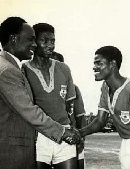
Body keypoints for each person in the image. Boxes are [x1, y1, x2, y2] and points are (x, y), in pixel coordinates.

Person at [0, 17, 80, 169]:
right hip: (19, 148)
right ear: (14, 39)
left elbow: (71, 106)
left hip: (53, 136)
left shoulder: (10, 67)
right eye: (31, 39)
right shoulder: (9, 70)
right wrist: (63, 132)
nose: (35, 44)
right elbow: (29, 111)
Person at [79, 46, 130, 169]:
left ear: (112, 64)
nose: (94, 67)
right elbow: (100, 121)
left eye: (99, 63)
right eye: (94, 63)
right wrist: (80, 133)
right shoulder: (105, 87)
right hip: (126, 144)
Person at [21, 23, 78, 169]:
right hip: (39, 136)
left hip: (65, 133)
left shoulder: (63, 68)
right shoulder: (24, 70)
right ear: (34, 42)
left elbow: (70, 106)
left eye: (52, 41)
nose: (50, 45)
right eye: (44, 41)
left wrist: (75, 132)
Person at [49, 50, 86, 169]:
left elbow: (80, 117)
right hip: (48, 137)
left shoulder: (73, 88)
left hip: (70, 138)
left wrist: (82, 138)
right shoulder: (40, 88)